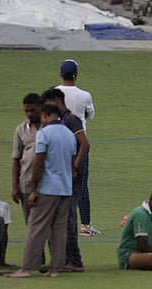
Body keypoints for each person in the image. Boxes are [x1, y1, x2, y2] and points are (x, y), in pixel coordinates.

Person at [8, 103, 77, 278]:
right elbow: (72, 163)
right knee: (59, 230)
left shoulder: (44, 133)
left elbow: (39, 163)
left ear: (44, 115)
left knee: (35, 227)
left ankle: (25, 268)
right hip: (65, 189)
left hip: (47, 188)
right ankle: (55, 269)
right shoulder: (69, 134)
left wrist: (33, 190)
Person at [39, 88, 90, 272]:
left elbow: (85, 144)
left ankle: (74, 261)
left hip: (72, 175)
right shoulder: (61, 120)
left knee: (68, 217)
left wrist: (75, 167)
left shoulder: (71, 119)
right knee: (62, 217)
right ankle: (63, 259)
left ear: (58, 102)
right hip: (63, 174)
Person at [56, 59, 100, 236]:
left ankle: (59, 222)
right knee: (81, 184)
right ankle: (85, 226)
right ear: (76, 75)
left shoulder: (54, 93)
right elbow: (90, 115)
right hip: (79, 142)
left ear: (60, 74)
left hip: (58, 142)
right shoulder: (84, 95)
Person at [12, 93, 41, 225]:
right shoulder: (21, 129)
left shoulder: (50, 127)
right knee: (31, 226)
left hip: (48, 185)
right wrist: (14, 185)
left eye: (32, 110)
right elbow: (16, 158)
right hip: (26, 184)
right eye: (26, 111)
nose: (29, 114)